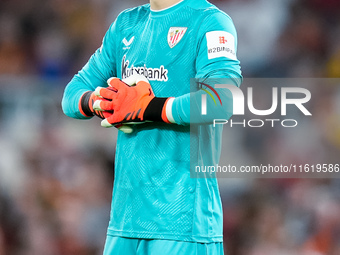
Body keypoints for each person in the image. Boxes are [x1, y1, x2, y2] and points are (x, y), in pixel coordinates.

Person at [62, 0, 242, 254]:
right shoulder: (125, 24)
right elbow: (71, 95)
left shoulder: (210, 22)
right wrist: (102, 102)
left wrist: (147, 108)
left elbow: (221, 99)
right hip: (125, 222)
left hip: (183, 223)